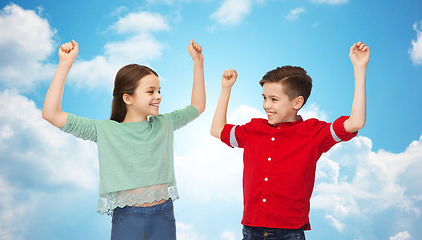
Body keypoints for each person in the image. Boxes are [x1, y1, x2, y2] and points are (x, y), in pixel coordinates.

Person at [42, 39, 205, 240]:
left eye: (159, 90)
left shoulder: (165, 123)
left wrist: (198, 63)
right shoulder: (104, 130)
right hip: (127, 218)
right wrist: (64, 64)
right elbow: (51, 113)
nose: (158, 96)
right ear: (128, 98)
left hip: (164, 215)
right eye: (150, 91)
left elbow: (198, 106)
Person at [210, 41, 370, 240]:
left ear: (297, 102)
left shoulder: (313, 133)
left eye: (274, 99)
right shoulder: (253, 130)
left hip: (289, 233)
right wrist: (226, 89)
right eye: (264, 98)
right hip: (251, 230)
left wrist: (359, 68)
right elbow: (217, 130)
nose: (266, 105)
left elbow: (355, 122)